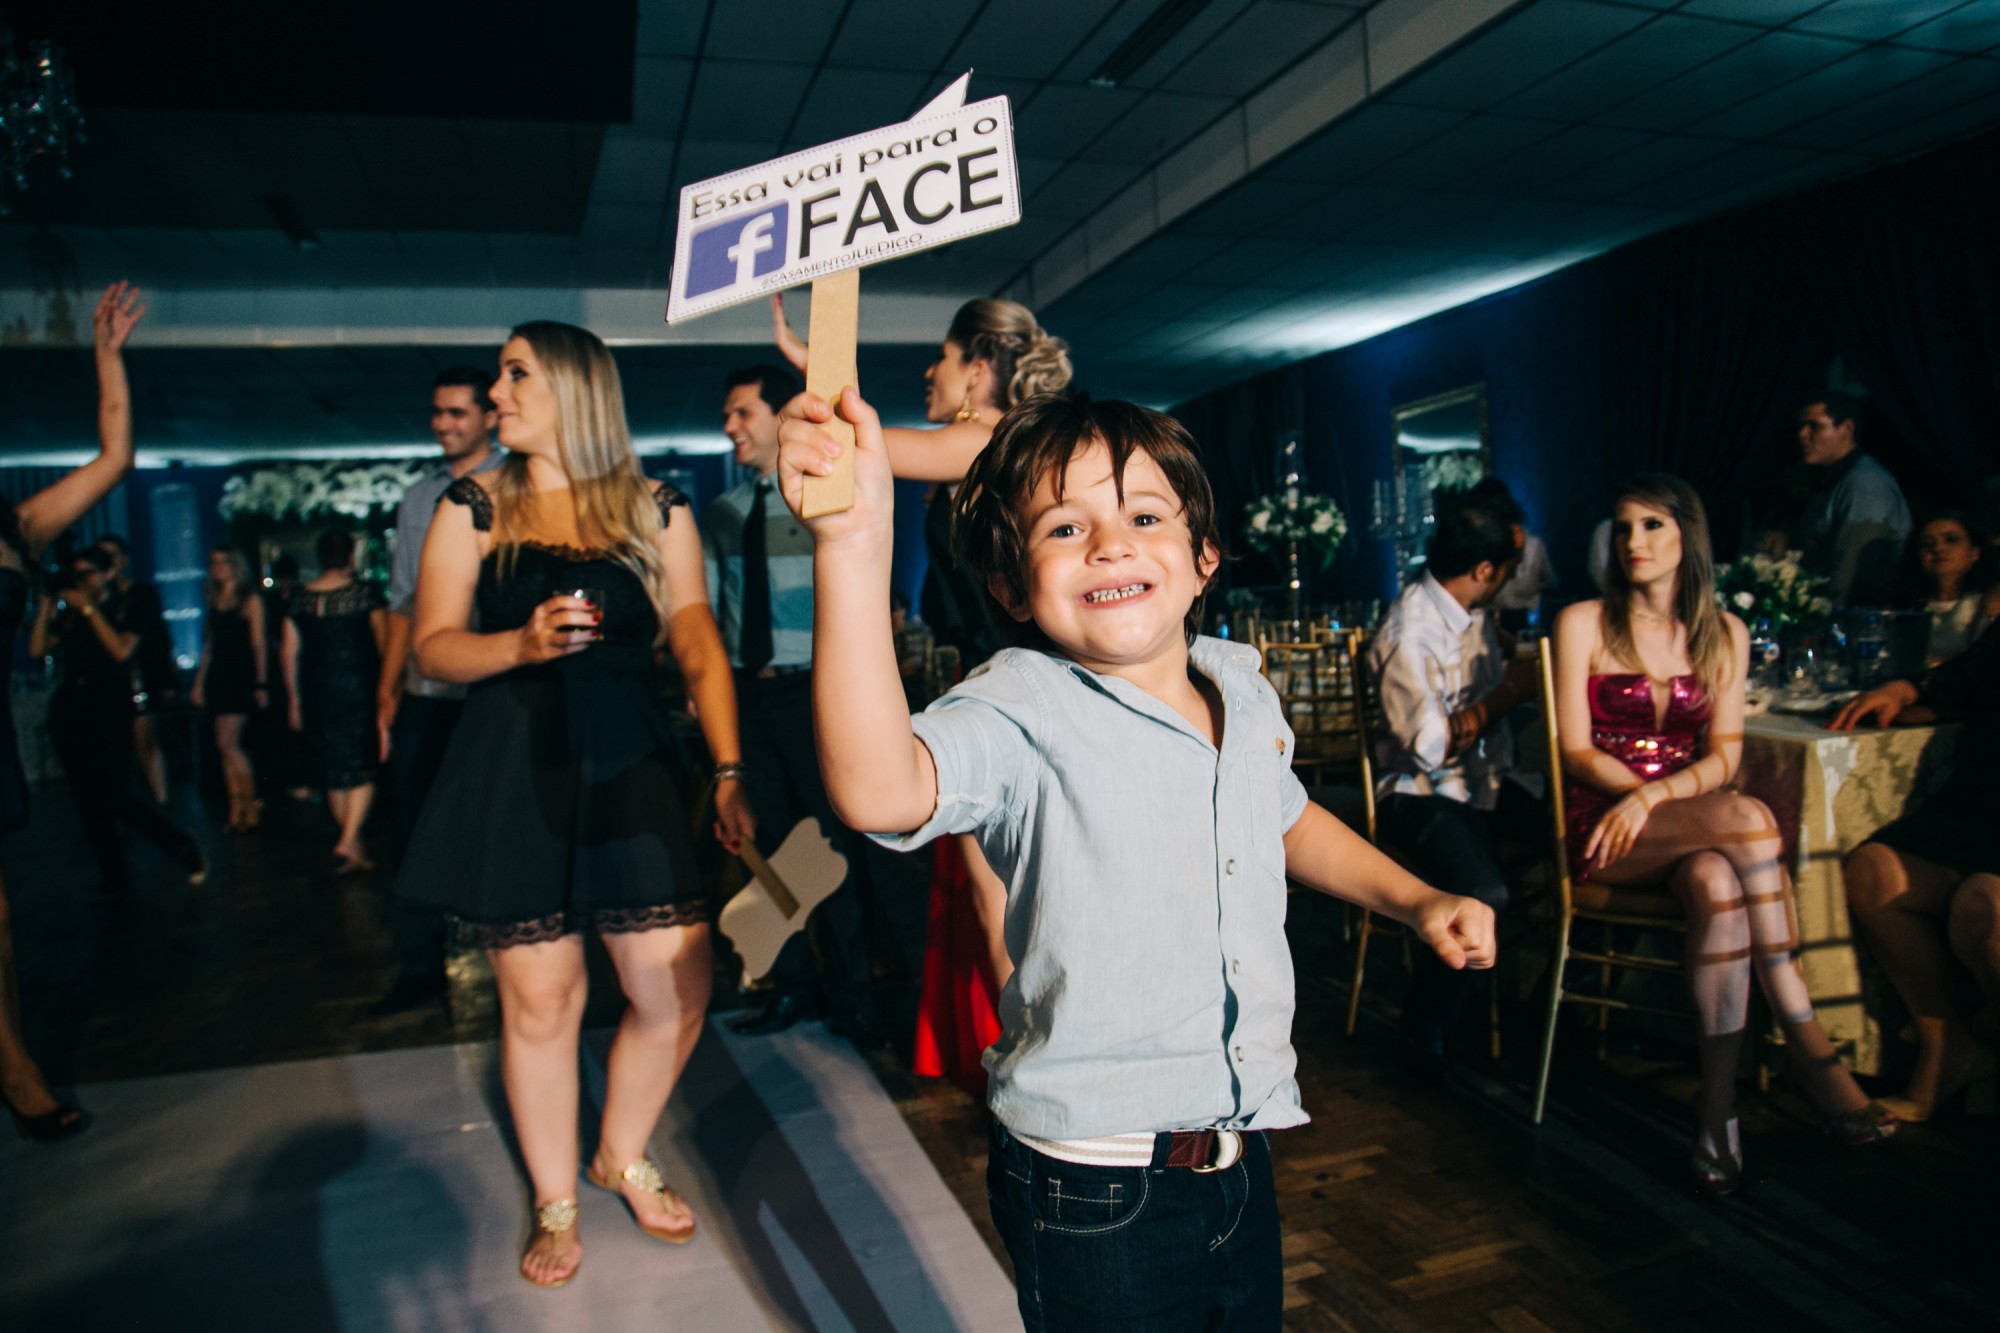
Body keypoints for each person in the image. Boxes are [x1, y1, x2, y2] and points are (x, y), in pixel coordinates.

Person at [777, 387, 1494, 1329]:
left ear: (1203, 561)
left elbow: (1285, 820)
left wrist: (1414, 898)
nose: (1109, 545)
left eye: (1143, 516)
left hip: (1240, 1151)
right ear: (1009, 585)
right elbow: (878, 787)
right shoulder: (1020, 706)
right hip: (1093, 1186)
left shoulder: (1242, 688)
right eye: (1064, 527)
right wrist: (852, 545)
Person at [398, 321, 754, 1288]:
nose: (498, 391)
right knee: (543, 999)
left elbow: (693, 637)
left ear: (572, 385)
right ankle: (557, 1198)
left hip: (631, 766)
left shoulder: (656, 507)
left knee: (674, 987)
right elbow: (432, 647)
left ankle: (620, 1150)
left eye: (517, 374)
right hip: (512, 768)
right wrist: (517, 644)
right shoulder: (472, 505)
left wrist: (728, 767)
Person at [1553, 473, 1894, 1199]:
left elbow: (1725, 754)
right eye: (1623, 527)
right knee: (1750, 818)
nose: (1634, 542)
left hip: (1671, 810)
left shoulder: (1723, 632)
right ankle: (1808, 1042)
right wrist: (1636, 798)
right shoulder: (1584, 620)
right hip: (1604, 820)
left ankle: (1715, 1116)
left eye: (1652, 526)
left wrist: (1656, 795)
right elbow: (1576, 750)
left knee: (1717, 880)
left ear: (1687, 538)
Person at [775, 292, 1072, 1088]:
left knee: (996, 894)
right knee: (1018, 887)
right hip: (1009, 680)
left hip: (1010, 689)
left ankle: (1035, 1065)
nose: (928, 372)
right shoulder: (1005, 445)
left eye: (939, 359)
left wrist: (827, 376)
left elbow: (856, 448)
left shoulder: (984, 437)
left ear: (978, 370)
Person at [0, 281, 145, 1142]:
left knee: (5, 922)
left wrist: (105, 355)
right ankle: (19, 1073)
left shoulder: (19, 527)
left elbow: (114, 459)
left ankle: (11, 1057)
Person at [704, 363, 881, 1044]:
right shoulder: (722, 515)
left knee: (834, 851)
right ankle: (793, 990)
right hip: (751, 698)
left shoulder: (826, 499)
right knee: (769, 854)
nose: (729, 427)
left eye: (741, 412)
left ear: (783, 418)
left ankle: (855, 995)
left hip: (816, 695)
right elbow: (718, 620)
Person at [1367, 490, 1543, 1078]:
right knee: (1481, 895)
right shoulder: (1407, 633)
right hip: (1420, 795)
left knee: (1587, 841)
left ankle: (1550, 995)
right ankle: (1425, 1033)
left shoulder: (1473, 616)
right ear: (1485, 571)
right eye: (1508, 572)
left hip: (1483, 783)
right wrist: (1508, 696)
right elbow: (1430, 748)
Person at [369, 366, 503, 1011]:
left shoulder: (517, 484)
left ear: (488, 418)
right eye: (438, 412)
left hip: (496, 687)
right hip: (428, 693)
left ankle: (514, 964)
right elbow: (402, 603)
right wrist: (388, 689)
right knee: (413, 830)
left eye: (456, 413)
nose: (443, 424)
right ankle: (421, 965)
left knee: (497, 829)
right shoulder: (418, 500)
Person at [1835, 625, 2000, 1122]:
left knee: (1983, 909)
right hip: (1975, 811)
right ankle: (1948, 1046)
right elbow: (1952, 679)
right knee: (1873, 874)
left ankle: (1981, 1029)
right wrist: (1897, 690)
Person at [32, 546, 209, 897]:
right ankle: (114, 878)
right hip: (72, 708)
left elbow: (121, 651)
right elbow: (39, 650)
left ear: (106, 573)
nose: (81, 582)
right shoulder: (71, 616)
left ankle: (179, 844)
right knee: (87, 800)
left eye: (87, 574)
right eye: (76, 576)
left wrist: (88, 608)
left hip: (110, 707)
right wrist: (46, 607)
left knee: (115, 794)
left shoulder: (128, 607)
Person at [282, 529, 387, 874]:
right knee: (361, 764)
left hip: (317, 689)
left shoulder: (300, 599)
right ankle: (349, 838)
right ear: (351, 555)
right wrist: (388, 690)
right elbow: (384, 645)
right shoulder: (364, 595)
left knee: (333, 769)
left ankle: (352, 846)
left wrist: (294, 699)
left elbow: (289, 654)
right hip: (358, 687)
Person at [1794, 390, 1911, 605]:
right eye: (1801, 426)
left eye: (1815, 426)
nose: (1803, 434)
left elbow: (1851, 566)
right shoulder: (1831, 480)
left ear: (1846, 428)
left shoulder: (1864, 483)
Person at [191, 544, 268, 831]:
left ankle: (250, 805)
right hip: (219, 676)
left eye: (223, 562)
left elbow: (258, 644)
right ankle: (238, 809)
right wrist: (199, 682)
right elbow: (209, 647)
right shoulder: (214, 598)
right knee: (223, 745)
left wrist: (261, 682)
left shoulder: (249, 599)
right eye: (214, 562)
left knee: (228, 742)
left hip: (240, 675)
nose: (218, 567)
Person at [94, 533, 175, 804]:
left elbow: (157, 638)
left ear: (124, 559)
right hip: (107, 678)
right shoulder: (97, 599)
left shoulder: (140, 594)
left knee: (145, 742)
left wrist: (166, 678)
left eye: (112, 556)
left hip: (138, 675)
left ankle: (162, 800)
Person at [1900, 511, 1998, 668]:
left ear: (1975, 552)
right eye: (1927, 543)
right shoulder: (1903, 608)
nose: (1938, 548)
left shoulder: (1989, 602)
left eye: (1951, 540)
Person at [1471, 476, 1556, 634]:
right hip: (1480, 622)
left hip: (1522, 623)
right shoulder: (1474, 545)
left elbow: (1550, 582)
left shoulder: (1531, 544)